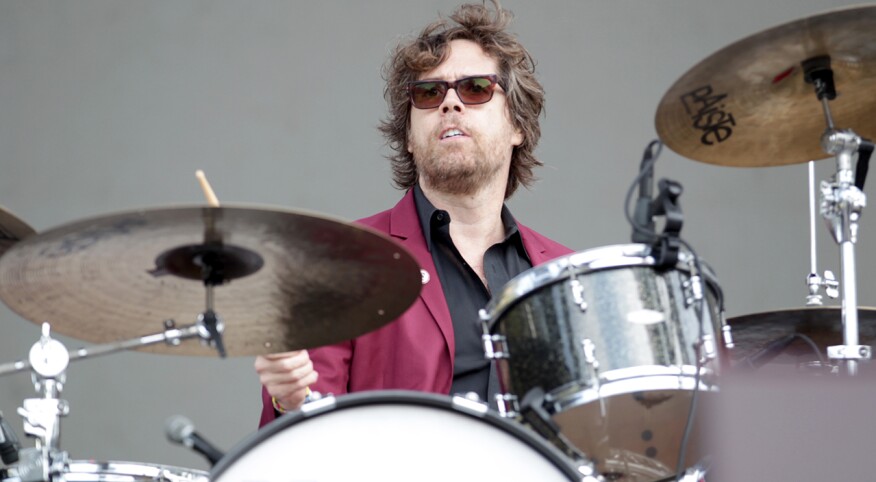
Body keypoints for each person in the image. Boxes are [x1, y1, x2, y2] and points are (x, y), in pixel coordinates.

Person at [256, 0, 572, 427]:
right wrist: (292, 400)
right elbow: (303, 446)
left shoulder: (566, 275)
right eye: (429, 93)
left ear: (518, 125)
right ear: (408, 135)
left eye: (476, 88)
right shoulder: (341, 260)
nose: (450, 104)